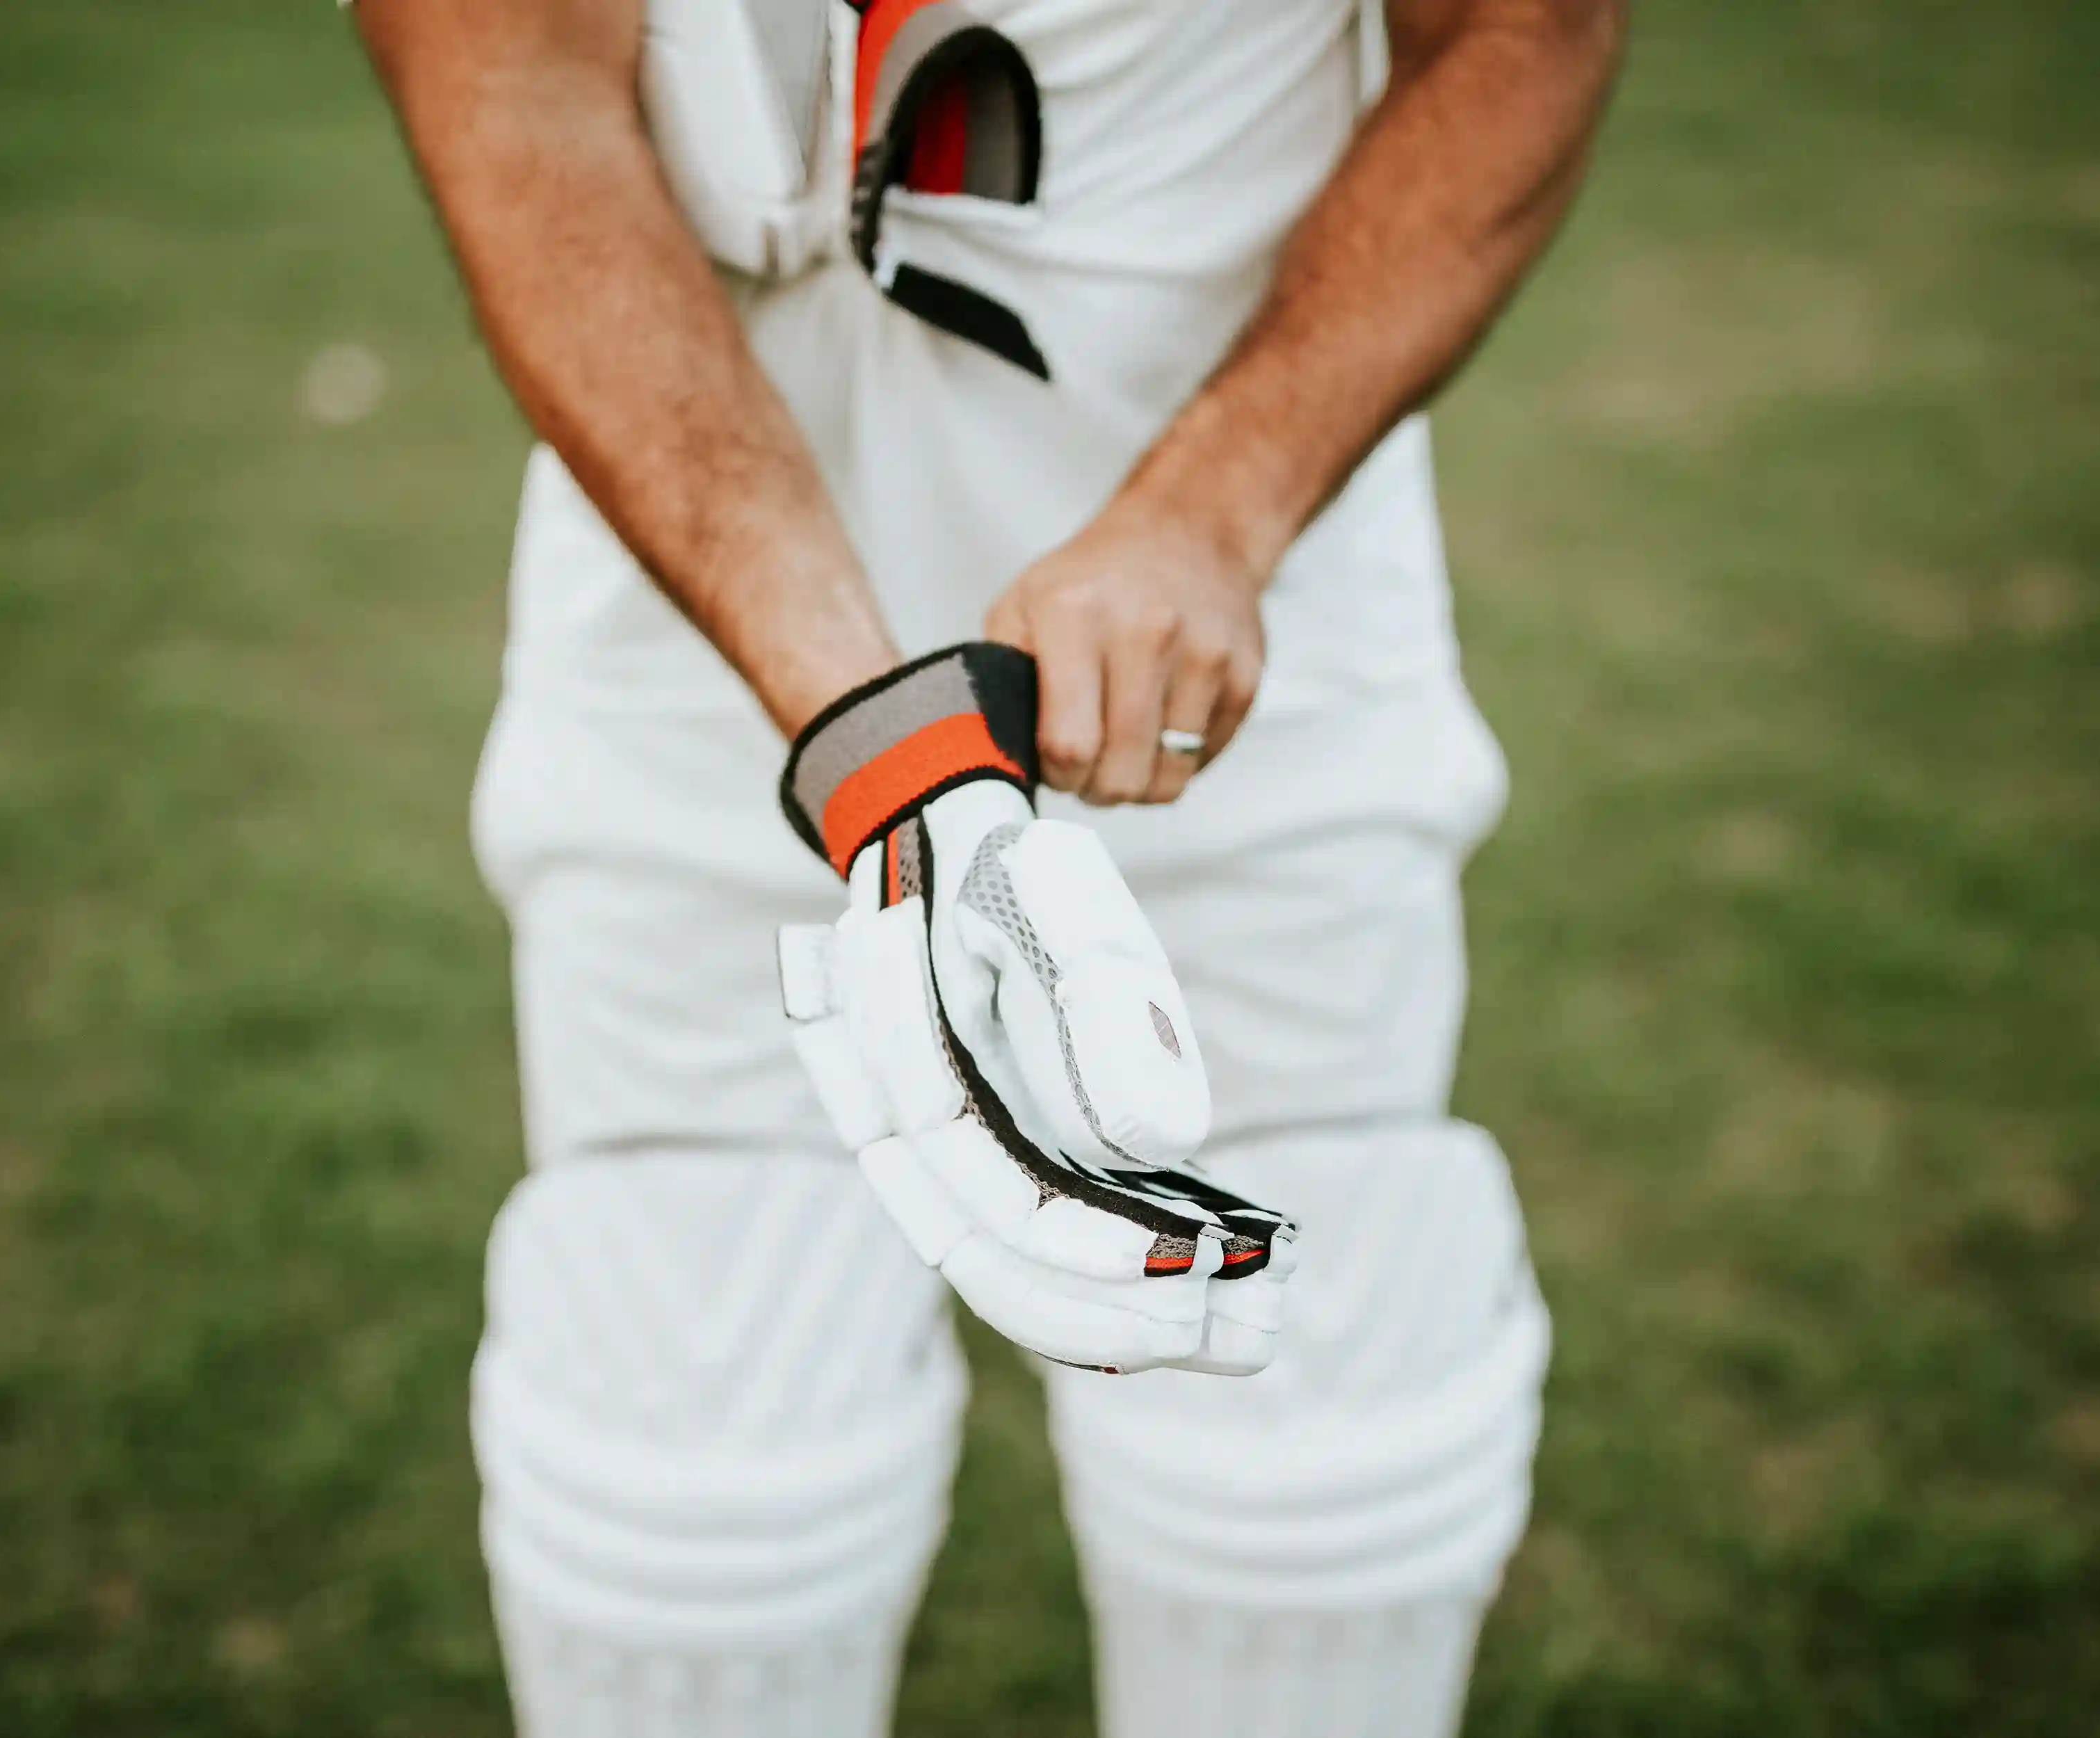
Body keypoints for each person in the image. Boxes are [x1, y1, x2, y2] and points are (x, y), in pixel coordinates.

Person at [351, 0, 1623, 1731]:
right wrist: (878, 745)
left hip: (1249, 641)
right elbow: (510, 80)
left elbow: (1518, 30)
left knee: (1311, 1496)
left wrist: (1217, 506)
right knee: (697, 1506)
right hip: (691, 647)